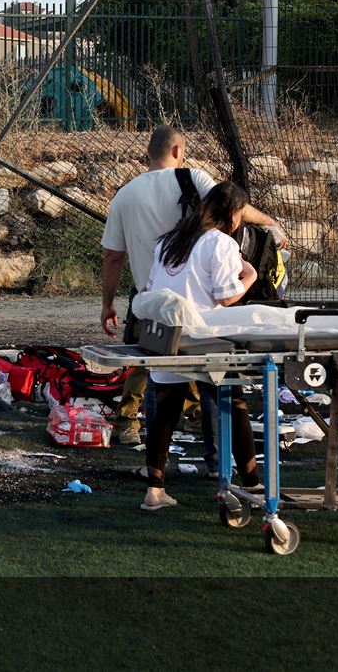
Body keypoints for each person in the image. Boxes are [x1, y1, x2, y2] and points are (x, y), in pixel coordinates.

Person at [100, 126, 286, 454]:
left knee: (149, 365)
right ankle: (217, 455)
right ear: (177, 151)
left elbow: (114, 256)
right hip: (198, 301)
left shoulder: (125, 194)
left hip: (151, 297)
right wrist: (270, 224)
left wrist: (107, 303)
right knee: (212, 376)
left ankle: (136, 433)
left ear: (148, 149)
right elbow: (230, 205)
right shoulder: (193, 179)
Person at [137, 181, 262, 510]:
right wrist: (250, 277)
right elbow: (225, 294)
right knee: (233, 404)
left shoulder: (170, 239)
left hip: (167, 336)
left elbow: (153, 286)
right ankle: (254, 484)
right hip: (204, 338)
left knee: (165, 410)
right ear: (233, 214)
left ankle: (155, 489)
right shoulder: (220, 242)